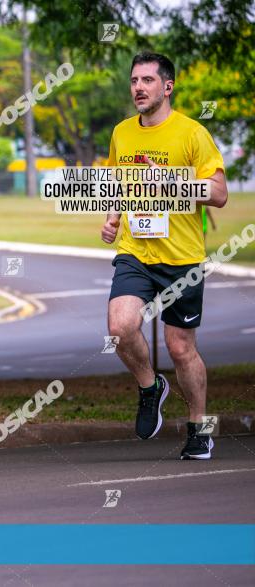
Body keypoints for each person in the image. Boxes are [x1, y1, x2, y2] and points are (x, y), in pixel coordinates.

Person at [101, 52, 228, 460]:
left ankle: (199, 428)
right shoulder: (122, 132)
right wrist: (112, 219)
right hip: (136, 252)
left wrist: (171, 183)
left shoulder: (192, 134)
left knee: (180, 349)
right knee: (120, 327)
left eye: (147, 80)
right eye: (134, 80)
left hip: (182, 259)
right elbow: (118, 182)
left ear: (167, 87)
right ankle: (150, 386)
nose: (138, 87)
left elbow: (220, 193)